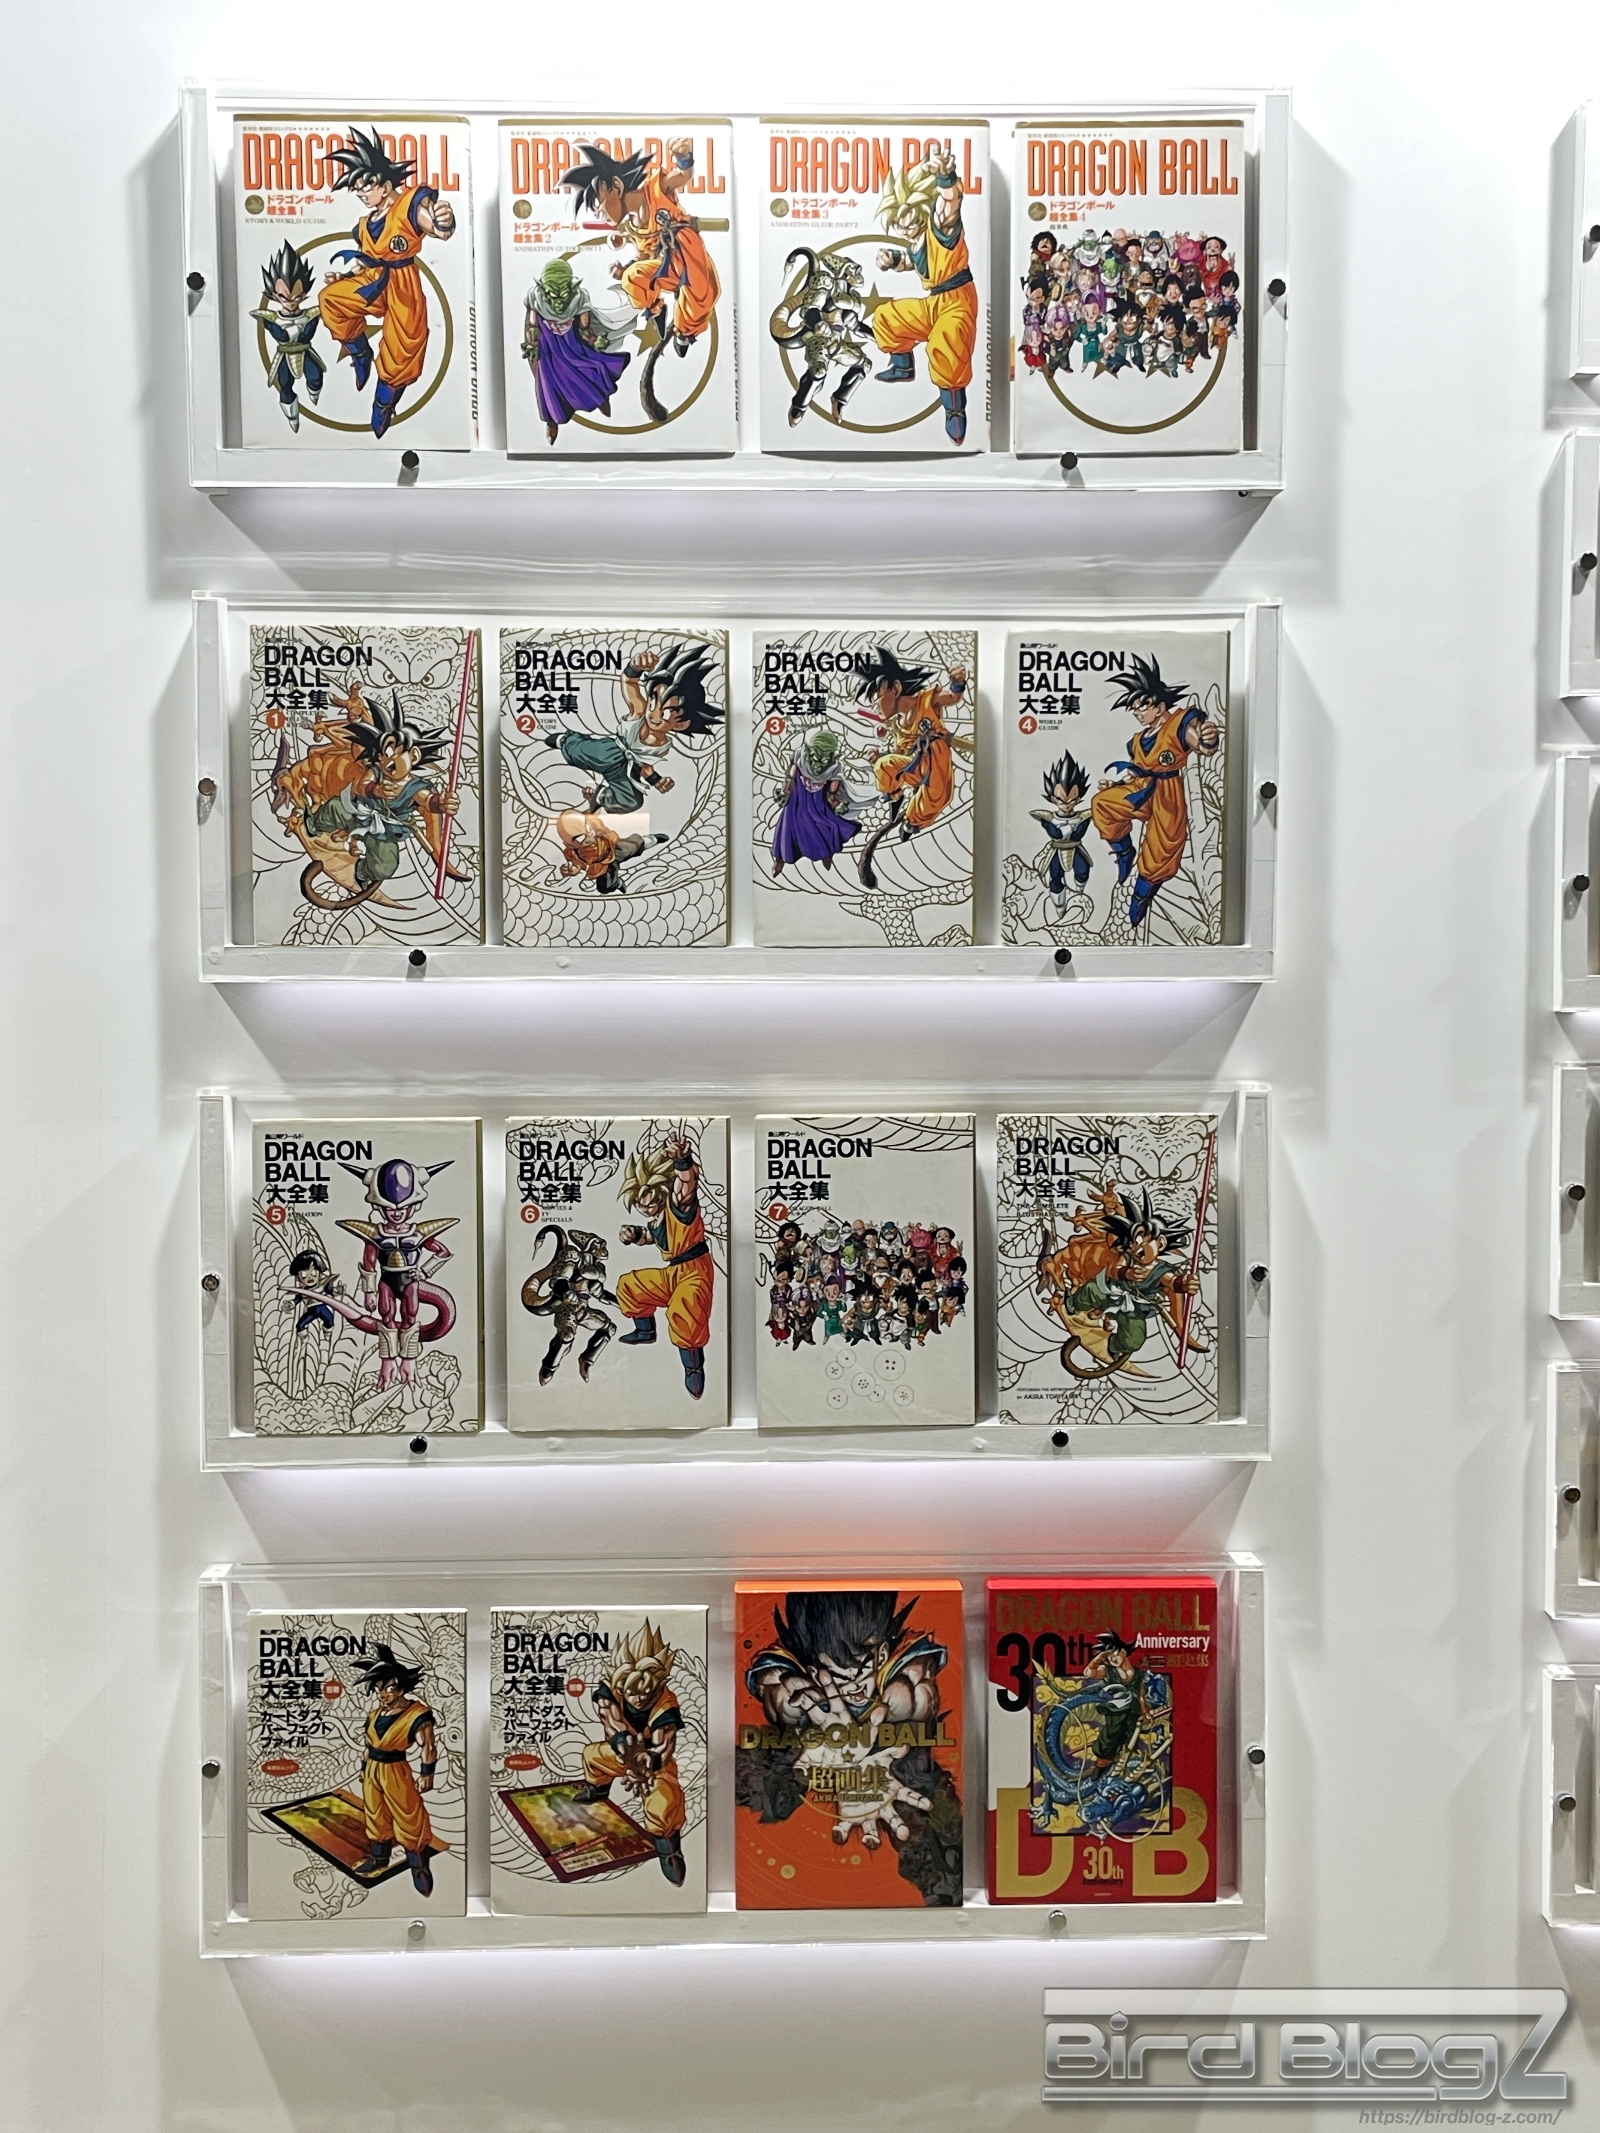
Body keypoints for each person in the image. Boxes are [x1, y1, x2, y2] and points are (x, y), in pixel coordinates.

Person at [317, 125, 457, 437]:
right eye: (357, 189)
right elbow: (365, 260)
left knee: (402, 348)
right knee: (331, 299)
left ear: (385, 182)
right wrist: (344, 277)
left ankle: (383, 403)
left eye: (366, 186)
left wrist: (444, 221)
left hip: (403, 284)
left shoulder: (409, 204)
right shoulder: (365, 224)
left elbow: (437, 227)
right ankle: (360, 352)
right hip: (372, 279)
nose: (361, 193)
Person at [870, 149, 979, 444]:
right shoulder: (918, 240)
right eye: (899, 224)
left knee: (947, 344)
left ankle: (954, 408)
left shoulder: (941, 228)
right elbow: (917, 262)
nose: (904, 229)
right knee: (888, 316)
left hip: (957, 301)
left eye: (909, 223)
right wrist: (893, 259)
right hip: (935, 301)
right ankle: (902, 366)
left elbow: (949, 205)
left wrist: (945, 176)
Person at [615, 1135, 714, 1399]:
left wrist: (682, 1160)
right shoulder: (657, 1218)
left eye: (651, 1204)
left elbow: (686, 1185)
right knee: (631, 1284)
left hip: (695, 1271)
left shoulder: (679, 1206)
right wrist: (634, 1234)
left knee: (686, 1311)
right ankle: (645, 1330)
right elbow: (653, 1236)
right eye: (641, 1206)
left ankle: (693, 1368)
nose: (646, 1209)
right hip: (673, 1272)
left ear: (662, 1195)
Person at [352, 1645, 444, 1896]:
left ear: (401, 1687)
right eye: (377, 1688)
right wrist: (363, 1768)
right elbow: (368, 1745)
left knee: (408, 1815)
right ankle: (379, 1858)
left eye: (388, 1688)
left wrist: (427, 1773)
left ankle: (419, 1865)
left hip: (396, 1769)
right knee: (375, 1813)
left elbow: (428, 1745)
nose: (382, 1694)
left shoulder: (416, 1714)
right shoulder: (374, 1715)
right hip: (373, 1770)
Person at [521, 254, 630, 444]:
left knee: (590, 369)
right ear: (544, 290)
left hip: (572, 344)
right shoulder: (536, 298)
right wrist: (532, 345)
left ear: (570, 289)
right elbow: (532, 326)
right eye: (552, 295)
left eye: (563, 295)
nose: (558, 302)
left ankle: (599, 398)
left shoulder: (579, 298)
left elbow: (585, 328)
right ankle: (552, 421)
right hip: (549, 348)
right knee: (548, 385)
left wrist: (595, 341)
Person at [250, 241, 324, 432]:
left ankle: (314, 393)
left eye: (296, 297)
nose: (291, 302)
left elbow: (314, 322)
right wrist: (275, 329)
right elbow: (276, 331)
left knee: (315, 377)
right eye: (284, 297)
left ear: (304, 294)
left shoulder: (311, 314)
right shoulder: (271, 318)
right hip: (284, 354)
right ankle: (292, 417)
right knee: (285, 386)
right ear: (275, 295)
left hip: (305, 351)